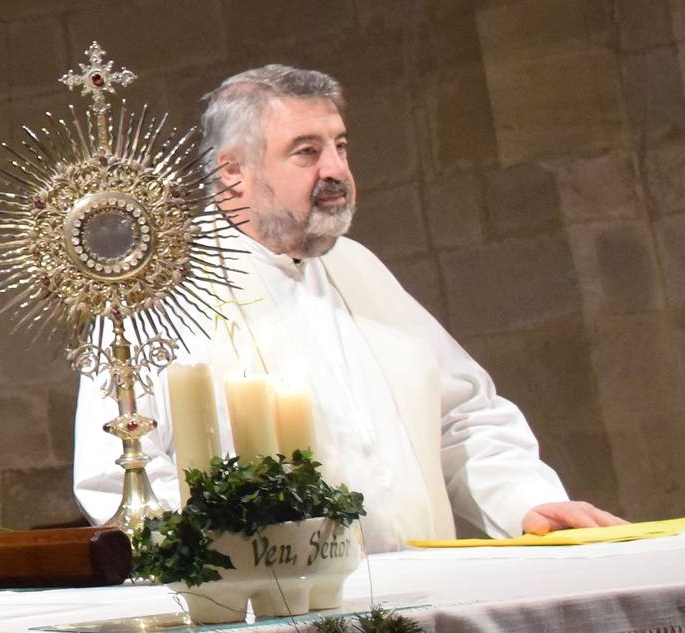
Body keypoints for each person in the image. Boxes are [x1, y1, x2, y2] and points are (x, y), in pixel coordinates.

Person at [74, 64, 621, 551]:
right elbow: (118, 472)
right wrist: (225, 564)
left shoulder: (358, 268)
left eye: (341, 145)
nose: (335, 169)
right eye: (306, 151)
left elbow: (462, 417)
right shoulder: (161, 288)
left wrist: (527, 501)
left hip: (422, 603)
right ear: (232, 172)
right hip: (275, 617)